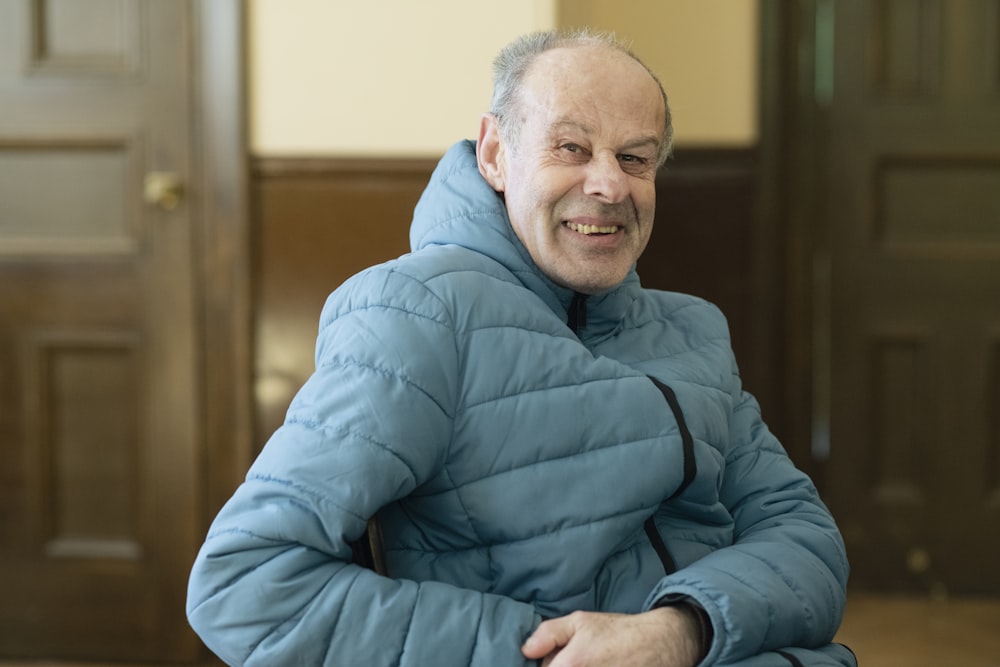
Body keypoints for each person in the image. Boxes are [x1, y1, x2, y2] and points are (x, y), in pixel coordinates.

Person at [187, 30, 856, 666]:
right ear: (494, 153)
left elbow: (806, 541)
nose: (610, 184)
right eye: (571, 147)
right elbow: (246, 583)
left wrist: (679, 630)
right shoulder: (418, 312)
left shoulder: (692, 330)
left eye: (635, 157)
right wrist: (551, 654)